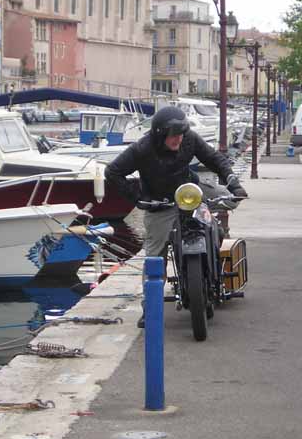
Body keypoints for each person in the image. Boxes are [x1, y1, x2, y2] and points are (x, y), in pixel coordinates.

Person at [105, 106, 247, 327]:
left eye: (181, 134)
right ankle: (150, 308)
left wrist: (234, 184)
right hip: (159, 203)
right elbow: (112, 172)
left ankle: (214, 272)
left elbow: (214, 159)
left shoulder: (189, 139)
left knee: (224, 210)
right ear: (161, 134)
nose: (179, 139)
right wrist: (138, 198)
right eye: (174, 135)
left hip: (189, 192)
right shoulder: (142, 149)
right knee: (155, 256)